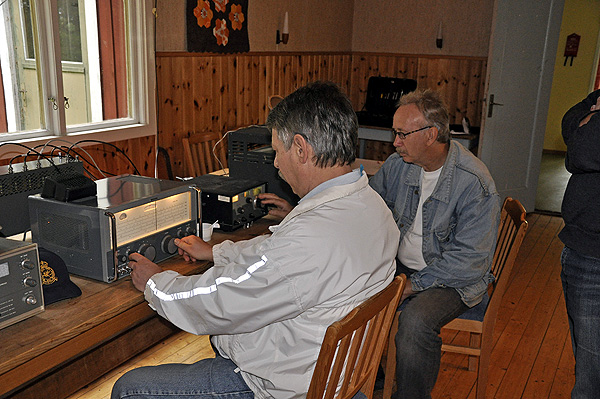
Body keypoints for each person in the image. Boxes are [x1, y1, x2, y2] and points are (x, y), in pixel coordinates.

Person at [111, 81, 400, 399]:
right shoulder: (372, 206)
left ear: (301, 149)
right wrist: (217, 253)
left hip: (290, 386)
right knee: (220, 340)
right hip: (337, 371)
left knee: (129, 389)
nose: (276, 163)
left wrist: (156, 283)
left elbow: (221, 301)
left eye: (278, 151)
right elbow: (278, 255)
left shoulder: (311, 237)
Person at [368, 89, 501, 399]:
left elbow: (468, 264)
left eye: (402, 134)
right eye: (395, 133)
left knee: (415, 323)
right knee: (350, 291)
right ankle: (372, 381)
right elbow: (369, 205)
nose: (395, 142)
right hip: (404, 267)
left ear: (430, 135)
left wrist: (409, 286)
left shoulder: (475, 184)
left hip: (453, 281)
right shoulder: (400, 165)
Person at [558, 89, 600, 399]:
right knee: (588, 363)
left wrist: (594, 116)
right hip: (583, 247)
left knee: (590, 377)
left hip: (593, 256)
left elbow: (581, 151)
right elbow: (569, 122)